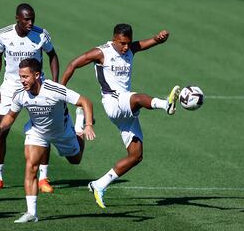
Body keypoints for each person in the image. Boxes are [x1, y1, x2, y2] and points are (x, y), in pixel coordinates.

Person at [61, 23, 180, 208]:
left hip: (125, 109)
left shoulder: (130, 49)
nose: (125, 47)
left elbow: (145, 44)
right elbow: (73, 64)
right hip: (113, 102)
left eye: (128, 43)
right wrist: (60, 91)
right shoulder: (101, 53)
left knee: (136, 155)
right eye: (122, 43)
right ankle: (166, 105)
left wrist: (159, 39)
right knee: (138, 98)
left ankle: (99, 185)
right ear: (114, 39)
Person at [0, 58, 95, 223]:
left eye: (25, 76)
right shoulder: (21, 95)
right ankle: (32, 213)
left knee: (75, 160)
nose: (22, 80)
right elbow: (11, 115)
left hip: (62, 132)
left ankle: (79, 128)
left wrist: (88, 125)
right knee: (31, 166)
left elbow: (85, 101)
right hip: (37, 132)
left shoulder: (54, 89)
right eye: (20, 76)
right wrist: (0, 127)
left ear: (37, 75)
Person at [0, 3, 59, 193]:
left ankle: (43, 179)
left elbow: (52, 55)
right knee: (2, 130)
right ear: (17, 18)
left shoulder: (41, 34)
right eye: (26, 19)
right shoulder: (4, 34)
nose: (30, 22)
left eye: (32, 18)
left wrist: (55, 84)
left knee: (44, 129)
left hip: (37, 86)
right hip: (10, 87)